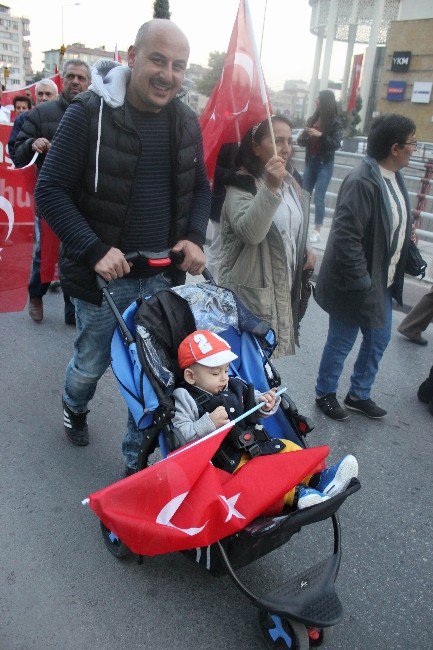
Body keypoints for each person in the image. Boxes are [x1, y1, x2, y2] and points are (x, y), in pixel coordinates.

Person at [34, 20, 211, 473]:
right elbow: (50, 190)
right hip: (105, 282)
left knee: (158, 376)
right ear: (133, 57)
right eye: (157, 60)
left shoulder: (186, 120)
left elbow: (200, 189)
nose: (168, 74)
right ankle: (74, 407)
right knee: (91, 363)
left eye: (178, 66)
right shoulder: (87, 114)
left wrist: (193, 236)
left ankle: (139, 463)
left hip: (162, 277)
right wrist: (94, 250)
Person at [172, 330, 358, 510]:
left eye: (226, 370)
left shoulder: (234, 385)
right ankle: (298, 494)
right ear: (191, 376)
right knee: (263, 476)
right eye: (215, 373)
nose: (223, 378)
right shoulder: (186, 397)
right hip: (230, 462)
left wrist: (264, 404)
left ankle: (319, 480)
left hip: (260, 444)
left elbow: (253, 404)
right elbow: (181, 434)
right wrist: (209, 423)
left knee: (291, 449)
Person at [314, 114, 415, 420]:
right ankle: (325, 393)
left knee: (379, 338)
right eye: (411, 143)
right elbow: (346, 237)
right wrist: (361, 281)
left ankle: (359, 393)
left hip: (380, 278)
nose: (414, 148)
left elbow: (390, 223)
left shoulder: (393, 177)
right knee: (342, 340)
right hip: (356, 282)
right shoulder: (361, 180)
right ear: (395, 148)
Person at [218, 116, 315, 357]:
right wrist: (270, 187)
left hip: (282, 281)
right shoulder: (241, 186)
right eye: (277, 140)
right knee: (248, 363)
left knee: (267, 363)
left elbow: (293, 221)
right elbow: (251, 233)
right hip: (251, 292)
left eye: (289, 141)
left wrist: (306, 247)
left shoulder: (291, 182)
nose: (286, 148)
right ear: (255, 147)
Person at [14, 64, 91, 326]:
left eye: (81, 78)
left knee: (77, 255)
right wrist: (30, 144)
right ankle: (36, 296)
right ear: (63, 81)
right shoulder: (41, 113)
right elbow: (16, 150)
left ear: (89, 83)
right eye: (70, 77)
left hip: (83, 201)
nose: (75, 82)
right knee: (43, 253)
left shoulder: (96, 113)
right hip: (50, 199)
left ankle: (72, 310)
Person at [297, 90, 342, 243]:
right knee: (304, 195)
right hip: (311, 161)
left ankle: (317, 230)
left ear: (325, 102)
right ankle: (301, 225)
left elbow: (336, 144)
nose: (316, 102)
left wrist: (320, 135)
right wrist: (303, 136)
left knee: (319, 197)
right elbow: (302, 143)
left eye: (318, 99)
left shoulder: (335, 122)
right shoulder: (312, 119)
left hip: (325, 163)